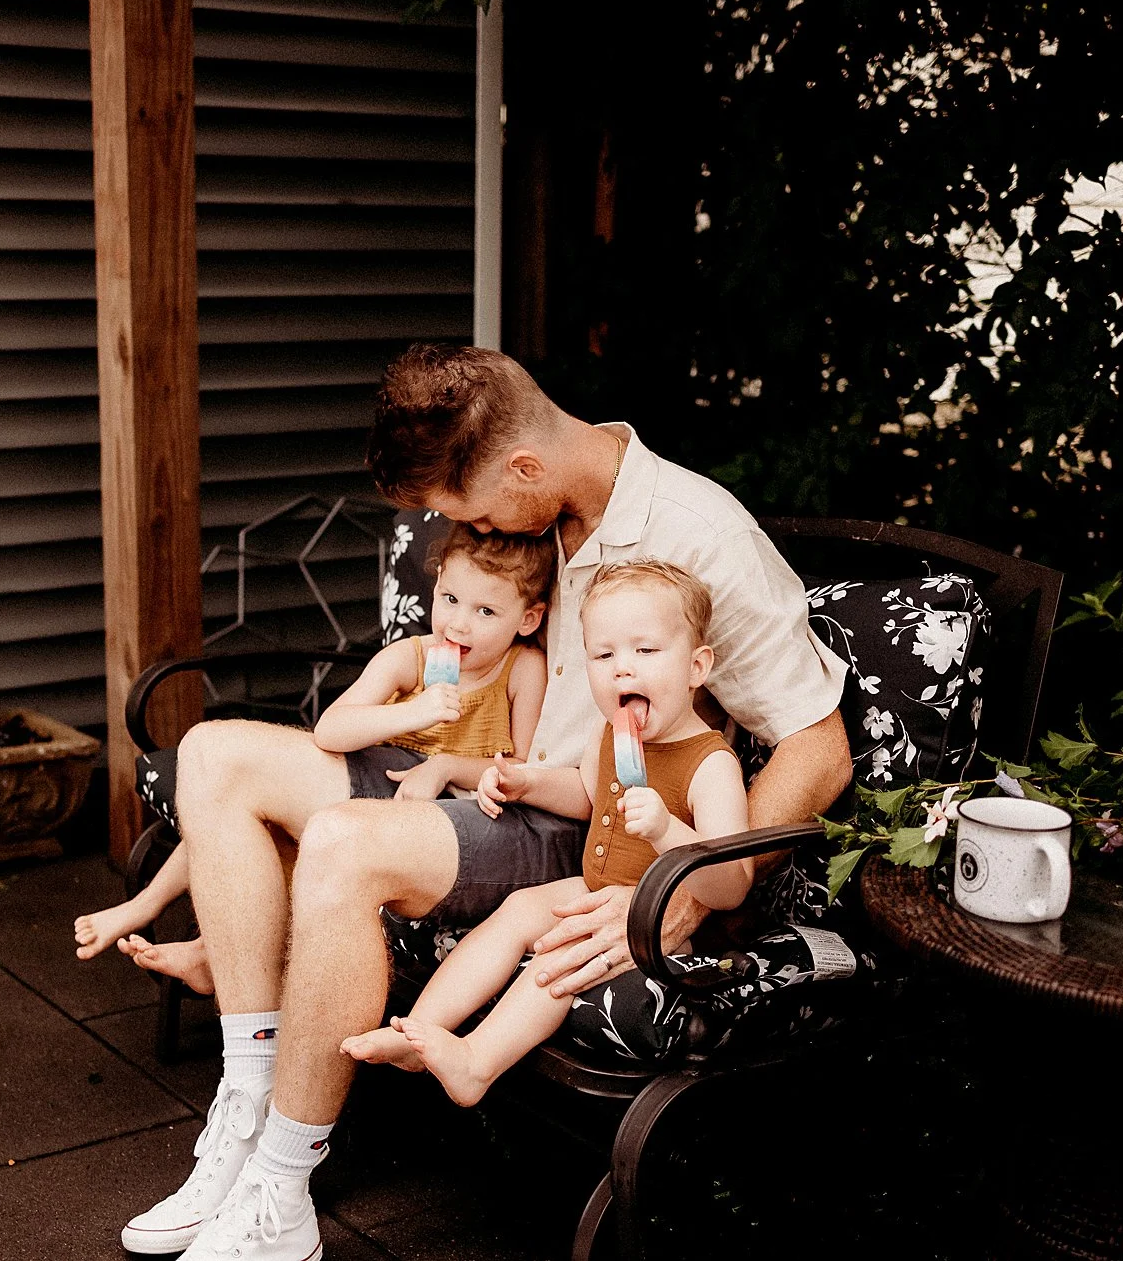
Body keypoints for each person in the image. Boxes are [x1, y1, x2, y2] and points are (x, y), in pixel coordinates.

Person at [135, 345, 853, 1261]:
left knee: (344, 844)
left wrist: (684, 880)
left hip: (569, 825)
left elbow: (817, 738)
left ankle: (281, 1183)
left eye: (461, 508)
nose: (456, 524)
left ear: (521, 468)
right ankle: (245, 1103)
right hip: (484, 780)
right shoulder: (541, 511)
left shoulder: (700, 533)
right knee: (214, 754)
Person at [75, 526, 553, 1006]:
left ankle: (205, 954)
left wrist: (446, 765)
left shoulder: (523, 669)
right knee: (242, 807)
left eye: (485, 611)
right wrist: (414, 711)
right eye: (449, 598)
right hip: (378, 782)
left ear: (529, 619)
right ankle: (149, 906)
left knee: (271, 818)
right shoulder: (411, 657)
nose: (458, 624)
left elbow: (519, 765)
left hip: (443, 818)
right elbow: (331, 729)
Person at [343, 560, 750, 1106]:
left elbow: (730, 886)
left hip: (658, 914)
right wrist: (526, 782)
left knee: (561, 958)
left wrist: (667, 830)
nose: (622, 671)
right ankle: (415, 1033)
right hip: (594, 887)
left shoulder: (710, 764)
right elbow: (587, 794)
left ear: (697, 666)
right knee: (516, 912)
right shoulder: (608, 733)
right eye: (604, 655)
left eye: (645, 652)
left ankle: (477, 1064)